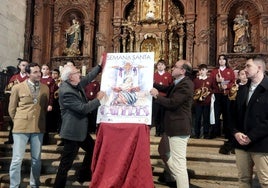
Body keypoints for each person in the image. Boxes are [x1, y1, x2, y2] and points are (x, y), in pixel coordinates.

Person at [53, 58, 105, 187]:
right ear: (71, 77)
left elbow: (87, 78)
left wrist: (99, 66)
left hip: (80, 130)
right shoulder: (66, 92)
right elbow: (83, 109)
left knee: (92, 150)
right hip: (72, 132)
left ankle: (83, 175)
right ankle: (58, 186)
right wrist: (98, 99)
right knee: (66, 163)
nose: (79, 74)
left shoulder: (74, 84)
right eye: (77, 72)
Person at [150, 59, 194, 188]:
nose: (172, 68)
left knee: (179, 164)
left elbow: (173, 103)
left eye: (175, 67)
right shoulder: (177, 82)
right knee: (162, 150)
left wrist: (157, 96)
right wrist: (151, 82)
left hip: (179, 127)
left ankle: (180, 180)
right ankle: (177, 175)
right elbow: (165, 88)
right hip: (171, 126)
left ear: (182, 71)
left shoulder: (186, 84)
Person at [8, 62, 49, 188]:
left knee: (36, 159)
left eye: (39, 71)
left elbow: (43, 107)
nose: (39, 74)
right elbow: (11, 109)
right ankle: (14, 185)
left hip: (38, 127)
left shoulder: (45, 88)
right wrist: (19, 120)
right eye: (35, 72)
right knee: (17, 160)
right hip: (21, 127)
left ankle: (34, 184)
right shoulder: (17, 88)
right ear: (27, 74)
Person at [230, 56, 268, 187]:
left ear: (259, 68)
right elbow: (233, 115)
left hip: (262, 144)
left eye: (248, 66)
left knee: (265, 181)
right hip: (241, 143)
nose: (244, 69)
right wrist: (235, 133)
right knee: (243, 180)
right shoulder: (242, 89)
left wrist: (251, 136)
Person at [210, 55, 235, 139]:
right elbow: (211, 83)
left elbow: (233, 82)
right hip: (217, 94)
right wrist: (217, 81)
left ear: (226, 61)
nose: (221, 60)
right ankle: (215, 132)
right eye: (220, 59)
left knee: (226, 113)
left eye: (223, 59)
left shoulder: (230, 70)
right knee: (216, 113)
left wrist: (227, 86)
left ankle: (227, 133)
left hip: (226, 94)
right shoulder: (214, 71)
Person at [4, 59, 29, 144]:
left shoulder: (29, 77)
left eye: (26, 65)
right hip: (15, 103)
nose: (25, 67)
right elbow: (8, 90)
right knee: (13, 121)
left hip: (25, 103)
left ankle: (25, 140)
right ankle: (11, 139)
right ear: (19, 66)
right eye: (23, 65)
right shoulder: (14, 77)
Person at [152, 59, 173, 136]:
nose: (160, 66)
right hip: (155, 98)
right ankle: (157, 131)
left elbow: (170, 87)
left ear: (165, 66)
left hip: (165, 98)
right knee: (156, 115)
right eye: (159, 65)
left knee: (163, 116)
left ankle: (163, 132)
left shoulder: (168, 75)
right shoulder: (153, 75)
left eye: (162, 65)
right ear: (156, 66)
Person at [193, 64, 212, 139]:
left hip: (207, 102)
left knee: (206, 118)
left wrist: (208, 92)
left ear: (207, 71)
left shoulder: (210, 79)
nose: (201, 71)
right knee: (197, 118)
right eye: (200, 70)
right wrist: (197, 93)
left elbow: (213, 89)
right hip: (198, 103)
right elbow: (193, 90)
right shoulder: (196, 80)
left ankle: (206, 133)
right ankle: (197, 134)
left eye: (203, 70)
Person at [40, 64, 57, 144]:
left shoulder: (51, 80)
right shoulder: (38, 79)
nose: (45, 70)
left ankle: (45, 140)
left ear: (49, 70)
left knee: (45, 122)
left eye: (47, 69)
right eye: (43, 69)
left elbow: (52, 93)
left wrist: (50, 104)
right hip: (38, 103)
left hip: (46, 103)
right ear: (41, 70)